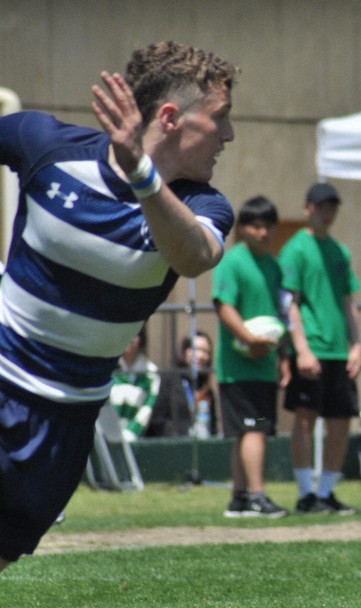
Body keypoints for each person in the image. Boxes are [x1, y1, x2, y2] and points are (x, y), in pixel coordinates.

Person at [0, 41, 236, 570]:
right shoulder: (46, 145)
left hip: (67, 422)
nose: (229, 135)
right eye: (220, 116)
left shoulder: (202, 206)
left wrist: (142, 176)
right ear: (171, 118)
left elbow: (194, 257)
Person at [279, 182, 361, 515]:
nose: (327, 213)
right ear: (307, 209)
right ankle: (305, 494)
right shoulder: (295, 249)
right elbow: (289, 302)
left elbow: (348, 301)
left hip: (339, 352)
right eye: (321, 206)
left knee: (340, 423)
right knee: (304, 421)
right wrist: (301, 349)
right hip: (311, 348)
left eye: (332, 207)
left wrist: (357, 346)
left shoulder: (340, 252)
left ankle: (326, 493)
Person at [213, 195, 290, 519]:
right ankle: (257, 497)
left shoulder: (273, 266)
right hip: (238, 367)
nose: (262, 232)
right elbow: (223, 306)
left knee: (250, 431)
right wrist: (249, 340)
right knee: (254, 429)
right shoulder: (232, 262)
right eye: (255, 226)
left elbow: (279, 315)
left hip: (264, 366)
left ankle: (240, 498)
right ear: (242, 228)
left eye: (268, 226)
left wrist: (282, 357)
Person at [147, 331, 218, 438]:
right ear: (184, 351)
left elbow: (213, 426)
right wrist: (185, 432)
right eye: (196, 349)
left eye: (206, 352)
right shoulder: (169, 380)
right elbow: (157, 420)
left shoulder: (206, 389)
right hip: (173, 443)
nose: (201, 356)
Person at [109, 326, 161, 441]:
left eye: (135, 334)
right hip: (108, 439)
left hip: (135, 440)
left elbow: (147, 408)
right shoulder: (108, 369)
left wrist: (130, 434)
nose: (131, 339)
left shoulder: (151, 373)